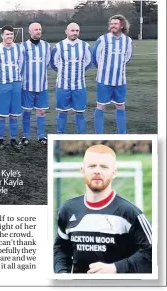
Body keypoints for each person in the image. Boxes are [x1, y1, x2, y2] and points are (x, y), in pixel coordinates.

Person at [54, 144, 152, 274]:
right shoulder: (68, 209)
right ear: (82, 170)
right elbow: (60, 249)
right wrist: (62, 274)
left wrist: (116, 268)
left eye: (104, 167)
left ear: (114, 172)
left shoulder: (130, 213)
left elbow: (153, 254)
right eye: (92, 166)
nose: (97, 171)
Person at [92, 15, 133, 134]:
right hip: (103, 81)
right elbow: (95, 56)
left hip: (120, 81)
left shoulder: (127, 40)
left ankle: (122, 135)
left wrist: (118, 68)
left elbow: (128, 57)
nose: (113, 26)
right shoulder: (103, 39)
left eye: (115, 24)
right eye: (111, 23)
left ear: (122, 26)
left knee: (120, 106)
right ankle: (98, 135)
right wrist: (103, 69)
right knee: (101, 106)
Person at [51, 23, 92, 134]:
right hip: (62, 85)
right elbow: (53, 63)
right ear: (66, 31)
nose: (75, 33)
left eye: (77, 31)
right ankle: (60, 135)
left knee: (80, 112)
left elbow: (89, 62)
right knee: (62, 111)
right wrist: (63, 73)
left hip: (79, 85)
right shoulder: (59, 46)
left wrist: (79, 71)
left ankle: (81, 137)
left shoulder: (85, 46)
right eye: (72, 30)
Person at [0, 25, 24, 151]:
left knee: (14, 114)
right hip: (2, 85)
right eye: (7, 34)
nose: (9, 36)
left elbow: (21, 64)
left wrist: (18, 80)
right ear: (2, 35)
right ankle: (0, 140)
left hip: (15, 84)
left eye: (11, 34)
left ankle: (13, 139)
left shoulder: (19, 49)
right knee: (1, 114)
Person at [20, 22, 51, 146]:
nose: (38, 31)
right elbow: (20, 64)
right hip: (27, 85)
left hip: (42, 85)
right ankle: (25, 136)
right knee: (26, 111)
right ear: (30, 31)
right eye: (35, 29)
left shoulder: (46, 46)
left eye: (39, 29)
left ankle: (41, 136)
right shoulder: (23, 46)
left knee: (41, 111)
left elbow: (47, 62)